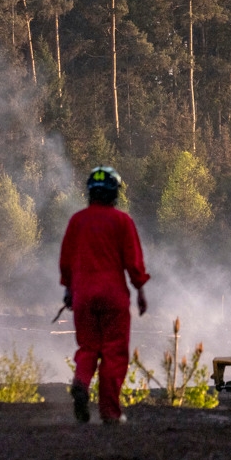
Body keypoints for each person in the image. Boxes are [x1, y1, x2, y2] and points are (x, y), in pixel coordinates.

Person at [59, 166, 150, 425]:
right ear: (114, 193)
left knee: (88, 347)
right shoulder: (122, 221)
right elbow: (133, 262)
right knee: (114, 353)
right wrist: (140, 290)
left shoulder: (77, 221)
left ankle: (81, 381)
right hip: (113, 297)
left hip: (83, 297)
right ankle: (110, 412)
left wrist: (68, 289)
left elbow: (66, 260)